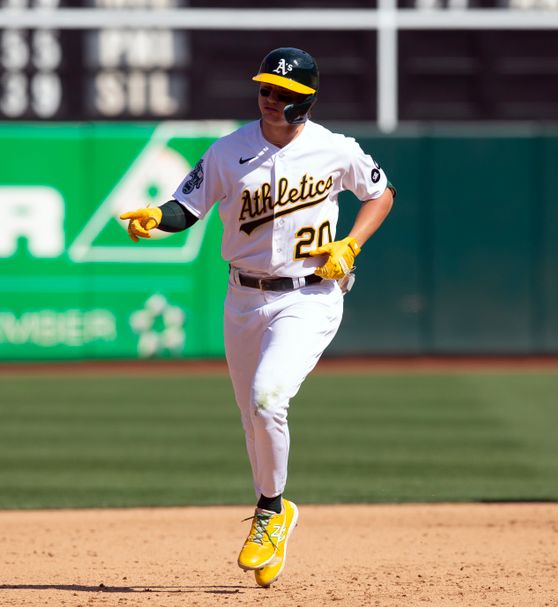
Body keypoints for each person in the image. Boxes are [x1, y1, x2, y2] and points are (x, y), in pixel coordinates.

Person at [119, 47, 395, 586]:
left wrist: (352, 244)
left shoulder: (335, 150)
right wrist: (158, 216)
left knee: (269, 397)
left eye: (283, 92)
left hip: (309, 296)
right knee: (253, 414)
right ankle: (274, 508)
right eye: (265, 89)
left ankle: (270, 510)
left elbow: (381, 194)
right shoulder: (228, 150)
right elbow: (187, 207)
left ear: (306, 99)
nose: (270, 99)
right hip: (243, 298)